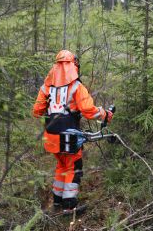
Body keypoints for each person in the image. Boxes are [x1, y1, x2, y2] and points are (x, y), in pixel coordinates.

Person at [33, 50, 113, 214]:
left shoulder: (46, 87)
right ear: (74, 65)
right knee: (73, 167)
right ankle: (69, 206)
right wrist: (105, 114)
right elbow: (89, 111)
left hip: (51, 137)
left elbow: (36, 111)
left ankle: (57, 202)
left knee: (61, 166)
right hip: (68, 135)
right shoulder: (76, 86)